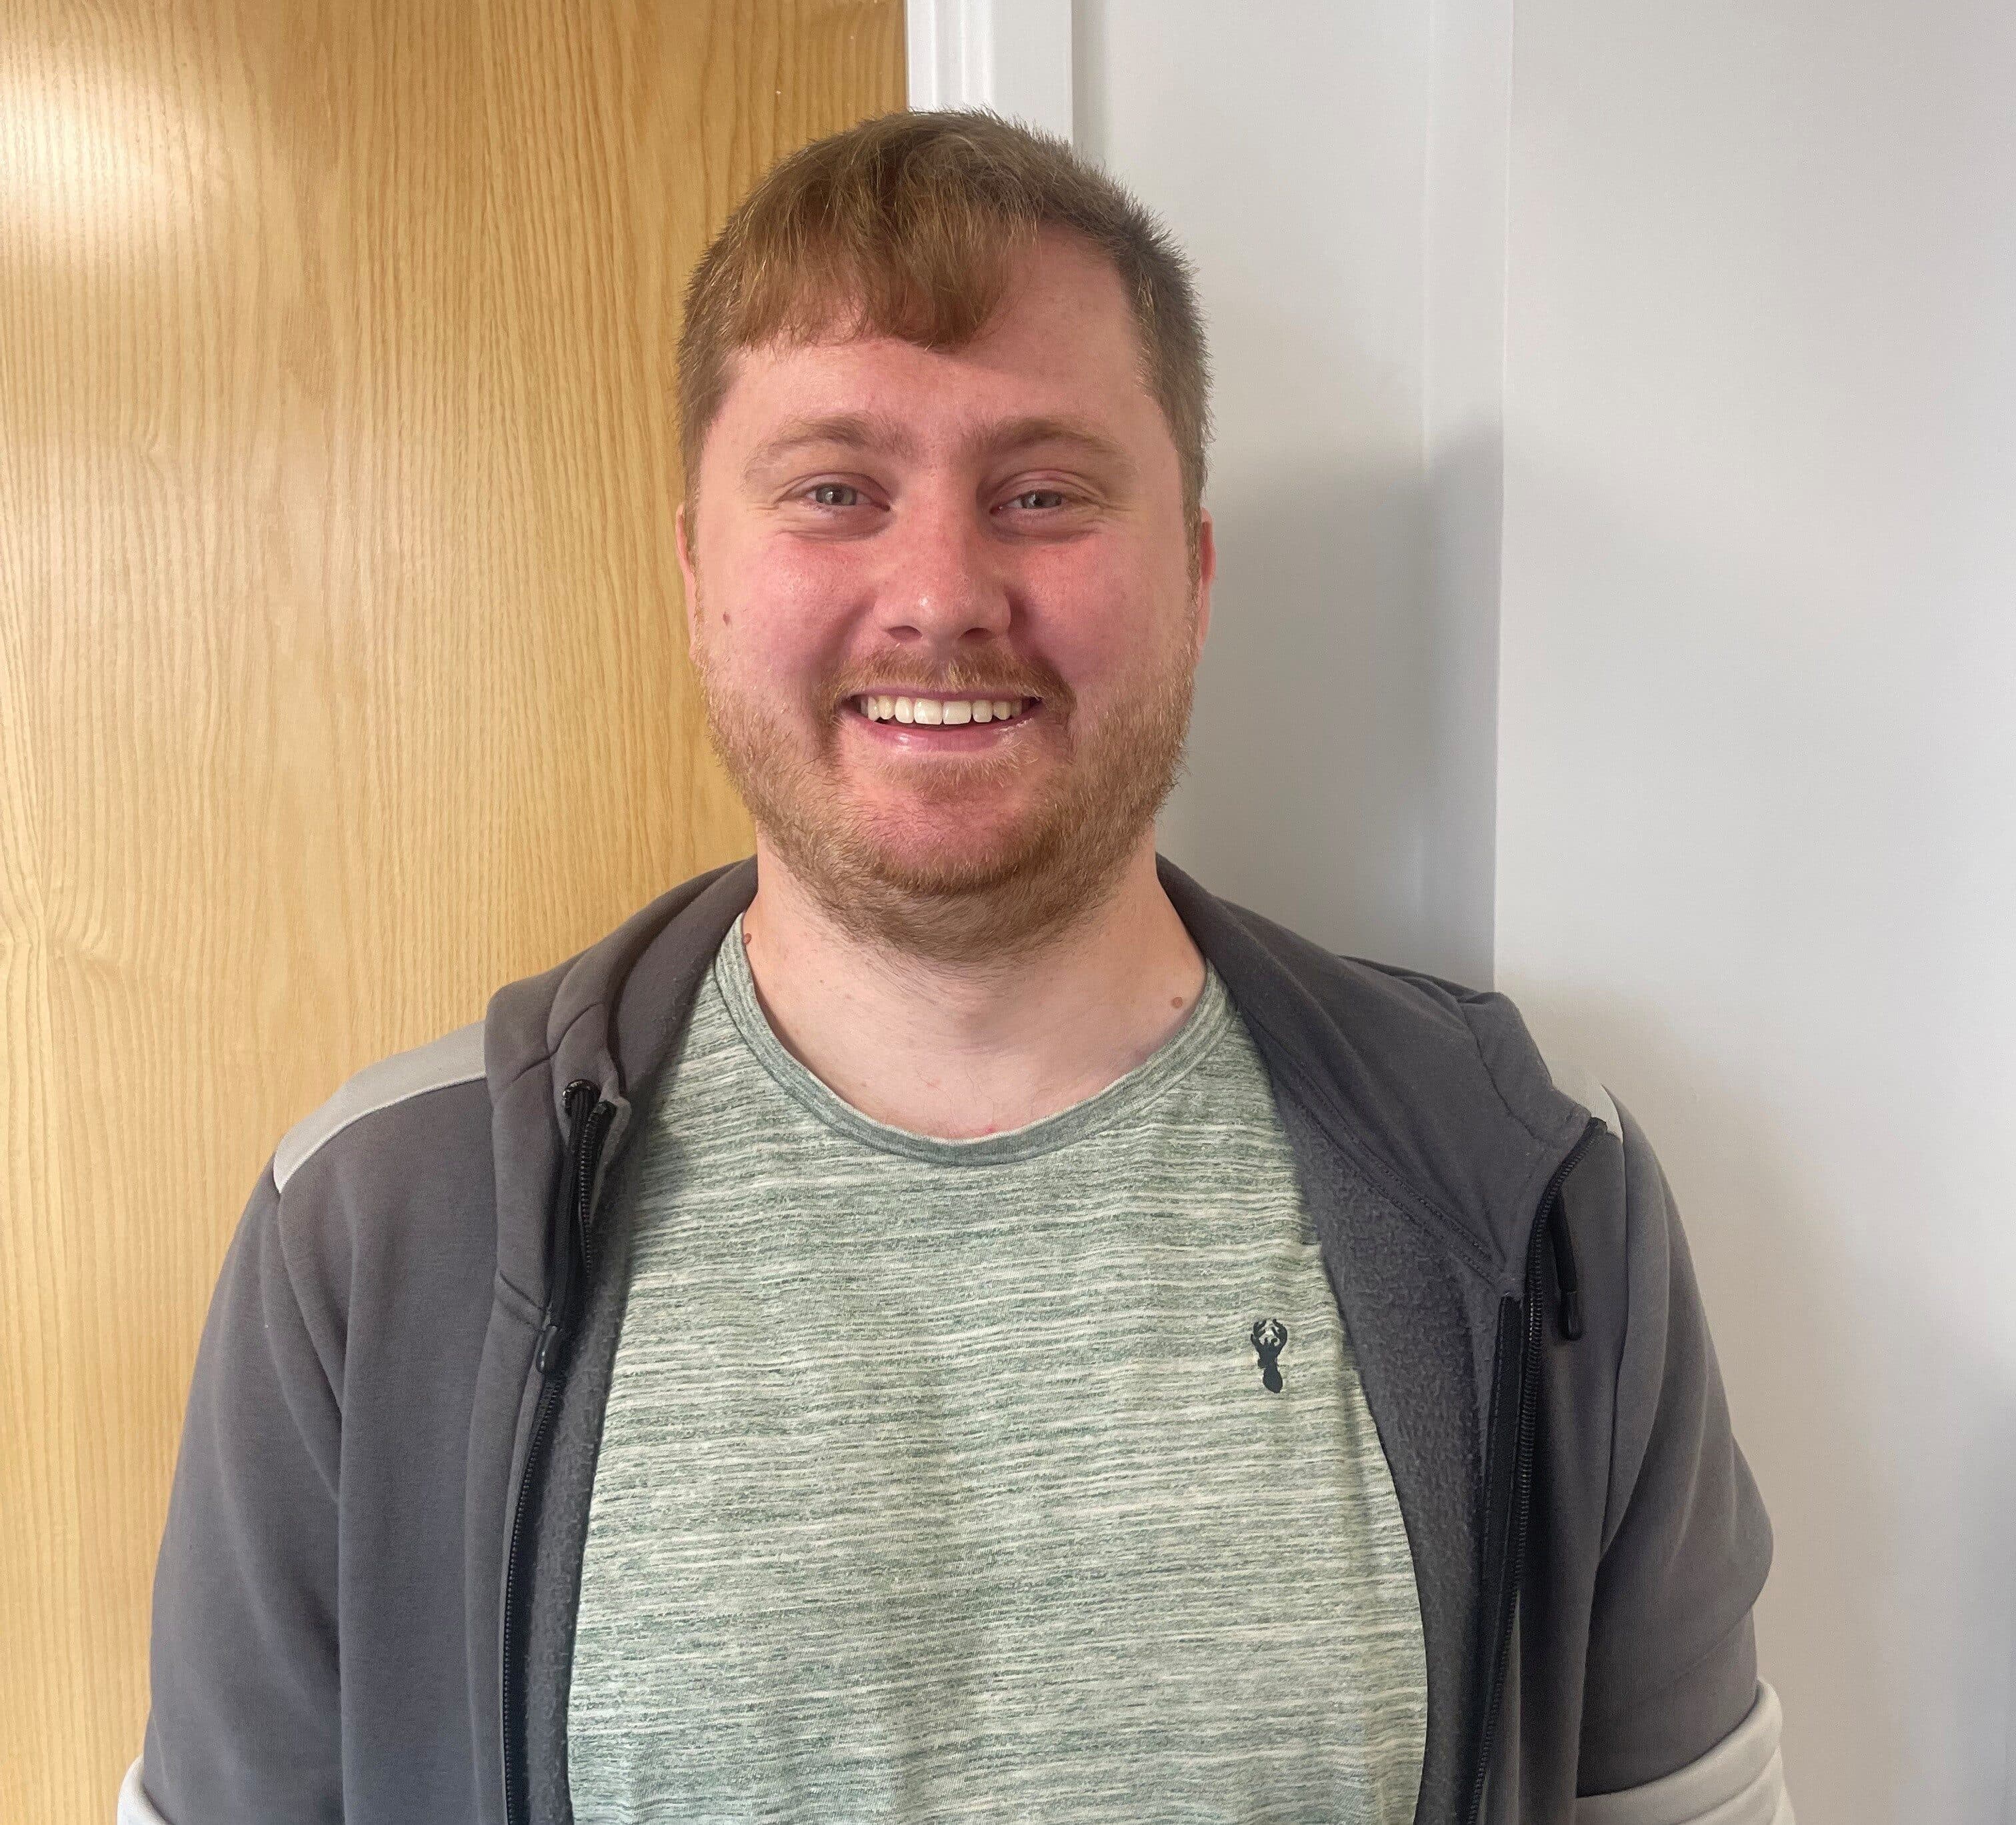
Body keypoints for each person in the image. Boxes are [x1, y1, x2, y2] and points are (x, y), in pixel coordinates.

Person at [125, 111, 1791, 1825]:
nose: (940, 594)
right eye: (836, 490)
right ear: (697, 573)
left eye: (1044, 492)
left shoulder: (1530, 1185)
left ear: (1196, 576)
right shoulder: (377, 1226)